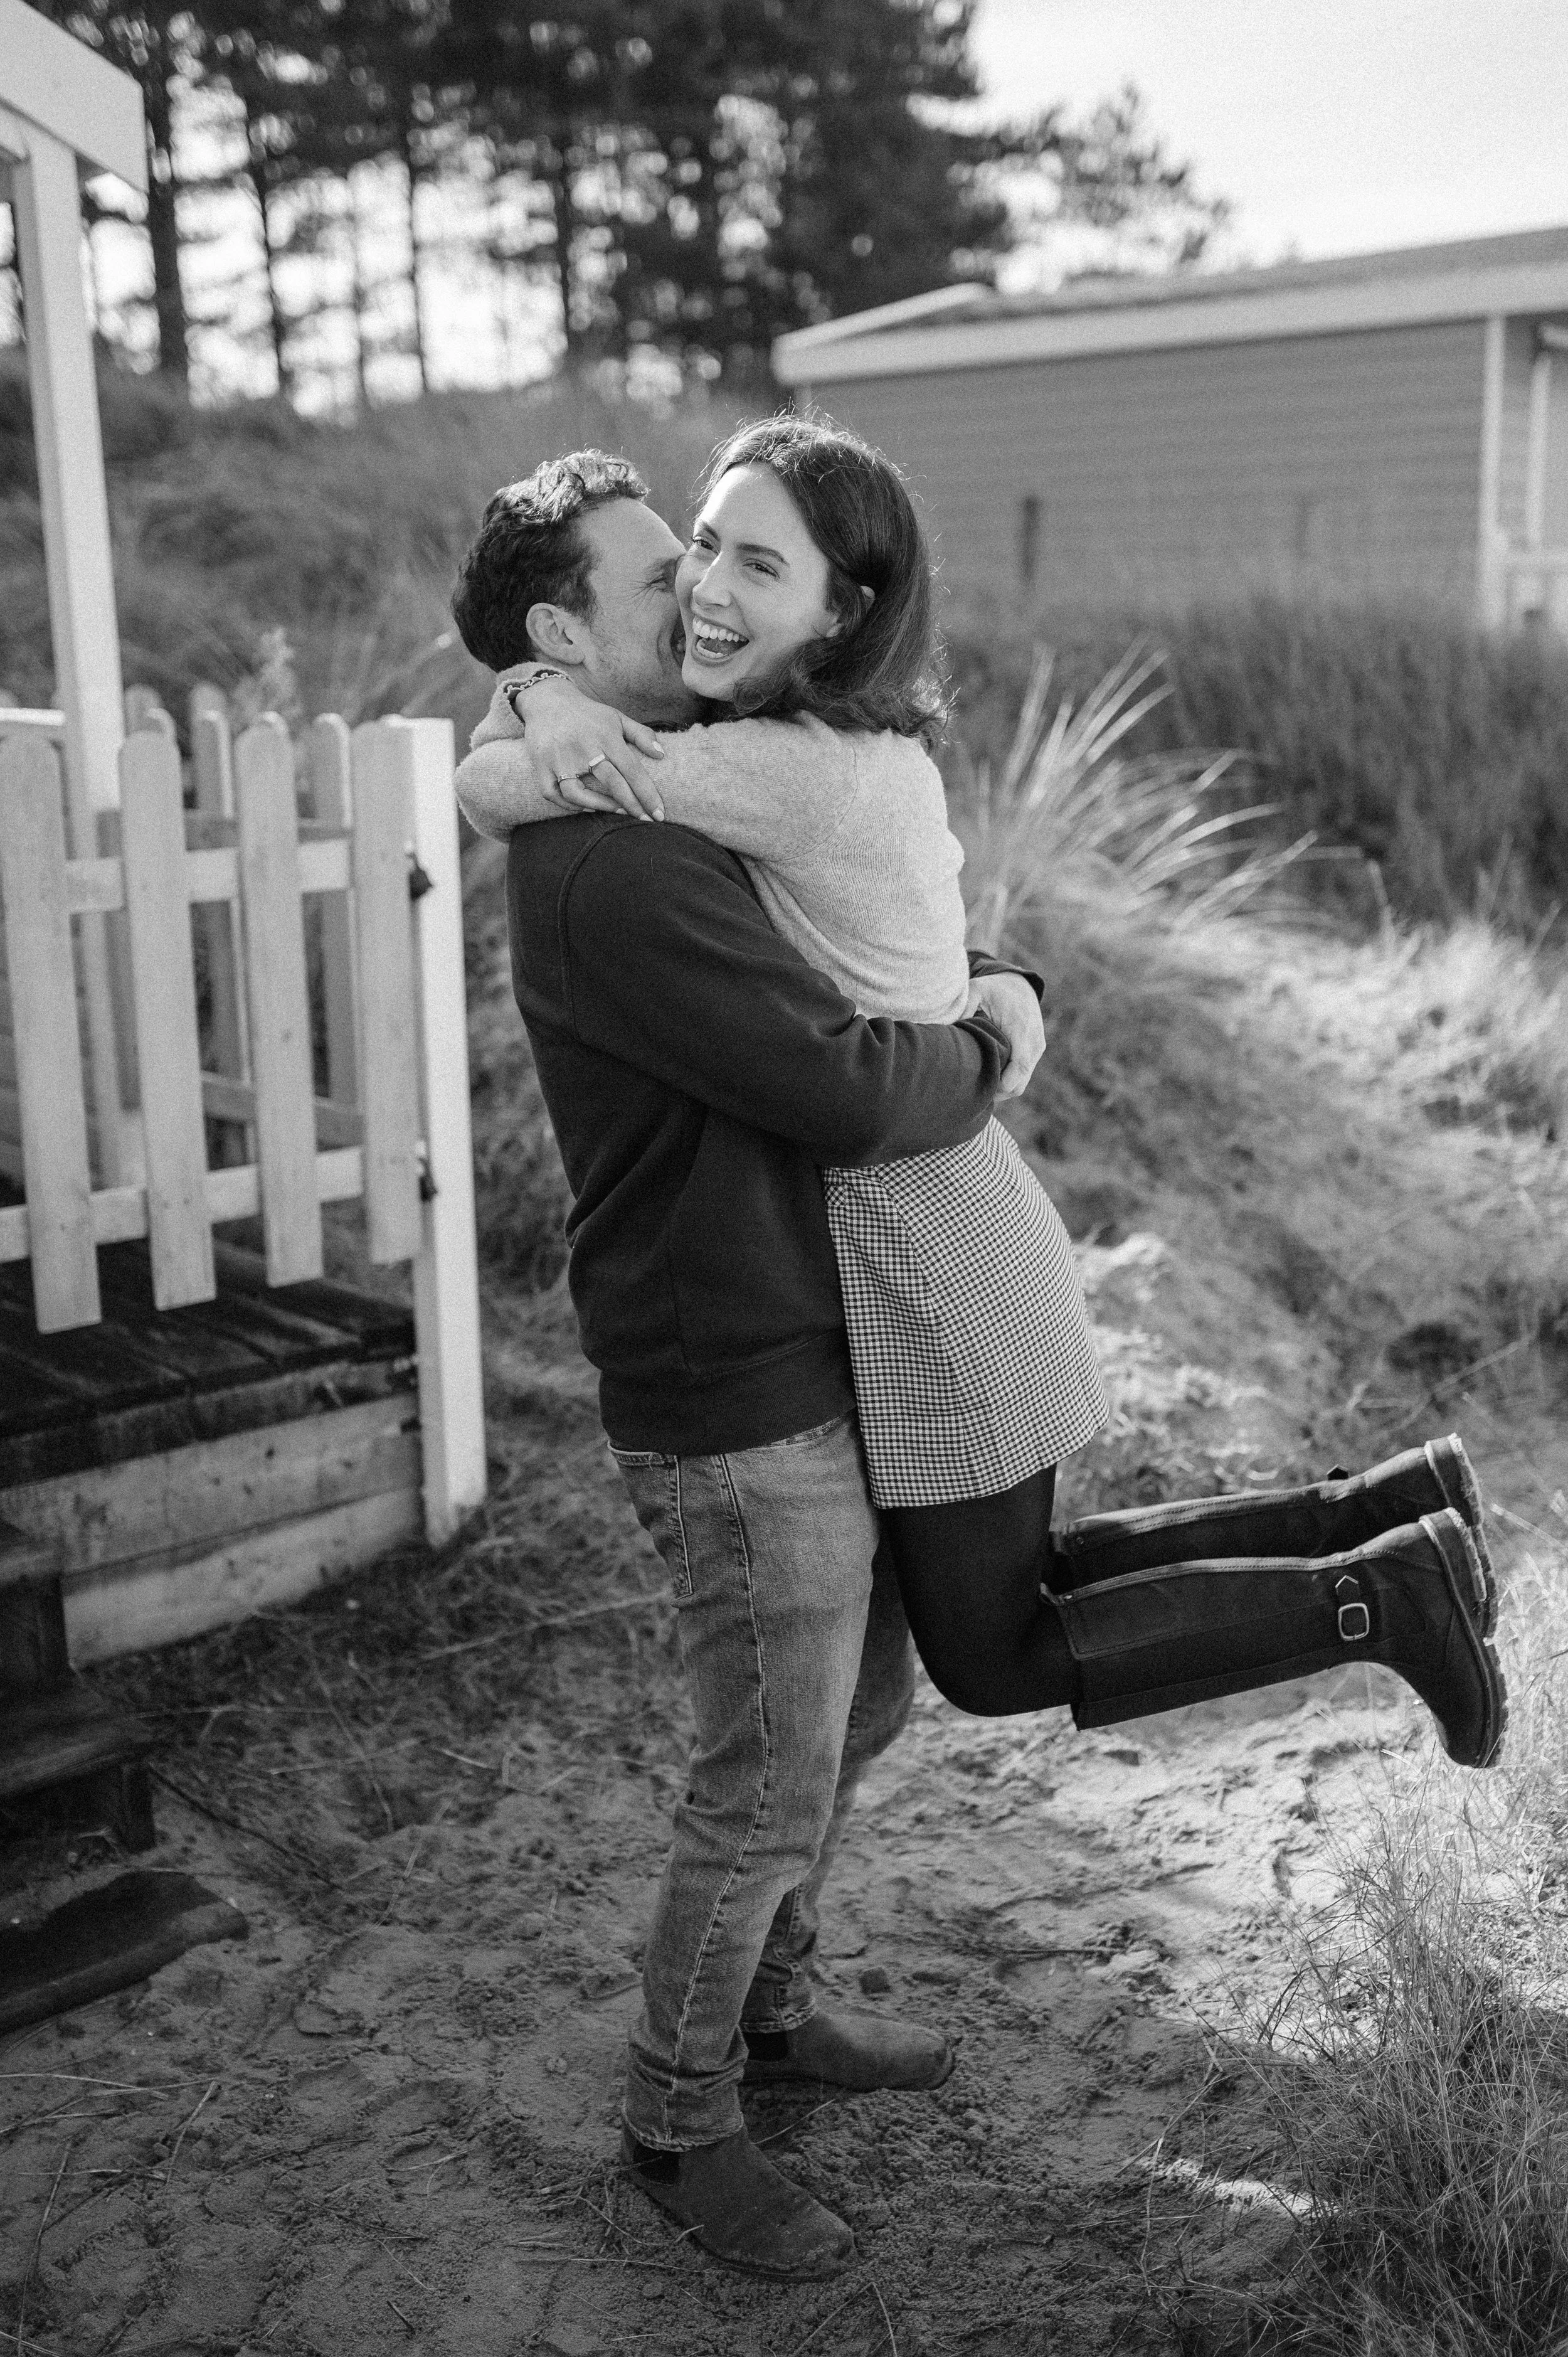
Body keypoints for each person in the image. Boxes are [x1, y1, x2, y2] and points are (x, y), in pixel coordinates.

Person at [455, 417, 1506, 1758]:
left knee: (995, 1648)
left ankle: (1374, 1600)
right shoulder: (829, 742)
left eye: (749, 567)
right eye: (699, 550)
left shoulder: (768, 771)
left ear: (840, 616)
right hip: (955, 1216)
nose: (706, 590)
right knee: (1029, 1585)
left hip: (927, 1241)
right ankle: (1385, 1521)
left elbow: (514, 788)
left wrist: (533, 707)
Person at [450, 447, 1050, 2283]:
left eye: (719, 556)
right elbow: (845, 1084)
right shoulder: (611, 869)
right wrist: (1002, 1029)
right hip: (732, 1382)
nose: (699, 594)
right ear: (563, 633)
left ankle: (774, 2010)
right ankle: (677, 2118)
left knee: (848, 1717)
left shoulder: (663, 805)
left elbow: (857, 930)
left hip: (810, 1338)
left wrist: (967, 970)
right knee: (763, 1776)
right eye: (664, 575)